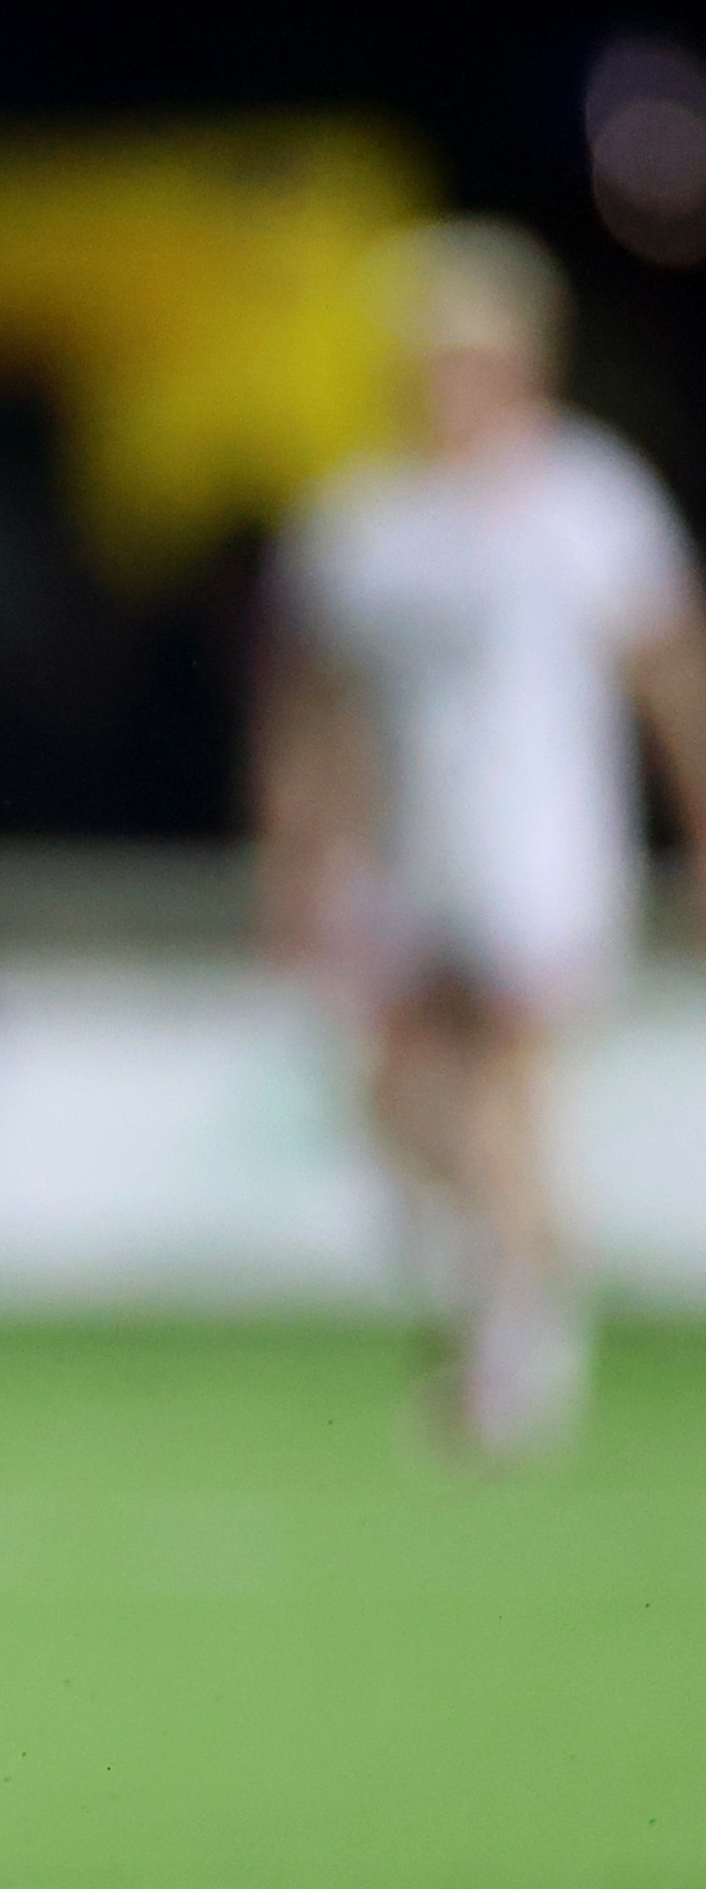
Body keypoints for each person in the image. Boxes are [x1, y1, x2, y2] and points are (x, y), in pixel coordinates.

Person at [255, 218, 706, 1455]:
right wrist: (302, 856)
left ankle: (519, 1354)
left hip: (545, 845)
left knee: (510, 1089)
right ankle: (522, 1278)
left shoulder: (589, 495)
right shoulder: (362, 519)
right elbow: (319, 709)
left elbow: (669, 676)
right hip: (411, 852)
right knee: (398, 1099)